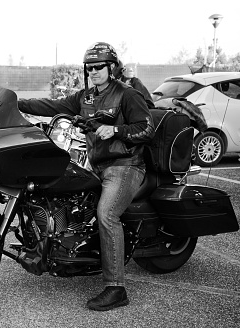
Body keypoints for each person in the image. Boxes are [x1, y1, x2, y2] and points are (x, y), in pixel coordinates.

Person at [18, 42, 154, 311]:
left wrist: (116, 131)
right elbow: (51, 104)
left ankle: (116, 288)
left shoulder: (127, 94)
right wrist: (14, 101)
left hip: (126, 165)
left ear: (111, 67)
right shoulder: (85, 97)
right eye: (89, 67)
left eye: (99, 67)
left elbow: (147, 129)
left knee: (106, 214)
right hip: (96, 164)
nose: (93, 71)